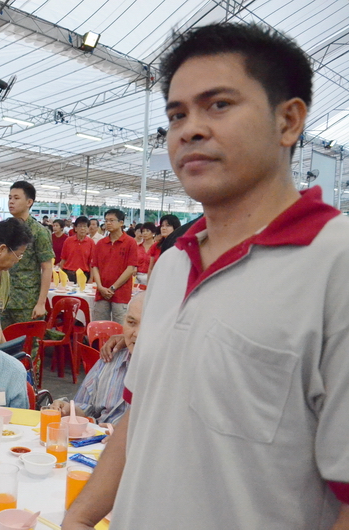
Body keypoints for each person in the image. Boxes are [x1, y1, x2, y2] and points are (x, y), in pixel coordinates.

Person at [63, 23, 349, 530]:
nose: (190, 129)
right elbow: (142, 412)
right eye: (177, 114)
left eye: (218, 105)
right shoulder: (173, 265)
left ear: (288, 121)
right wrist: (81, 518)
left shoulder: (334, 265)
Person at [51, 292, 143, 426]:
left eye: (147, 325)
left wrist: (120, 434)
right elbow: (86, 407)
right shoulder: (110, 358)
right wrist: (70, 410)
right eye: (131, 323)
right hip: (95, 436)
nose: (137, 333)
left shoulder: (170, 376)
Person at [1, 181, 53, 328]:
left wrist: (41, 303)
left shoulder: (39, 231)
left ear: (29, 202)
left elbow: (47, 268)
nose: (11, 201)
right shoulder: (4, 228)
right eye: (10, 197)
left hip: (26, 301)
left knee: (27, 340)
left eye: (16, 198)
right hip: (2, 299)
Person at [90, 209, 137, 325]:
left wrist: (113, 288)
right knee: (100, 325)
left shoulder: (130, 242)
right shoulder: (101, 243)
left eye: (111, 220)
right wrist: (100, 286)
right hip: (101, 292)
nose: (108, 223)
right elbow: (95, 266)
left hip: (121, 293)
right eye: (106, 221)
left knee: (120, 326)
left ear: (121, 223)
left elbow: (130, 268)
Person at [58, 216, 95, 284]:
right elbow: (63, 259)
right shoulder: (68, 241)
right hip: (68, 274)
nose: (82, 228)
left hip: (83, 275)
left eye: (85, 226)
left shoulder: (91, 242)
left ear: (88, 229)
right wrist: (60, 275)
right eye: (80, 226)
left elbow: (91, 263)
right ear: (75, 228)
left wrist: (91, 278)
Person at [146, 214, 181, 281]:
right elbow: (151, 268)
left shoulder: (179, 247)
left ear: (175, 227)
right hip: (157, 279)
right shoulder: (156, 246)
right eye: (162, 225)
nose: (164, 228)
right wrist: (149, 283)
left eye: (168, 225)